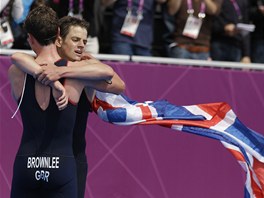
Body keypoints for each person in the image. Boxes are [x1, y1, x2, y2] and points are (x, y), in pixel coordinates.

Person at [9, 6, 124, 198]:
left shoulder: (17, 72)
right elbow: (110, 76)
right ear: (57, 34)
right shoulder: (78, 72)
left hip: (26, 164)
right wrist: (58, 78)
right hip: (61, 165)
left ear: (29, 38)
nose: (81, 45)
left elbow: (15, 57)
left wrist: (56, 74)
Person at [102, 0, 166, 56]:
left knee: (144, 69)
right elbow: (104, 3)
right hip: (121, 37)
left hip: (144, 40)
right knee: (122, 68)